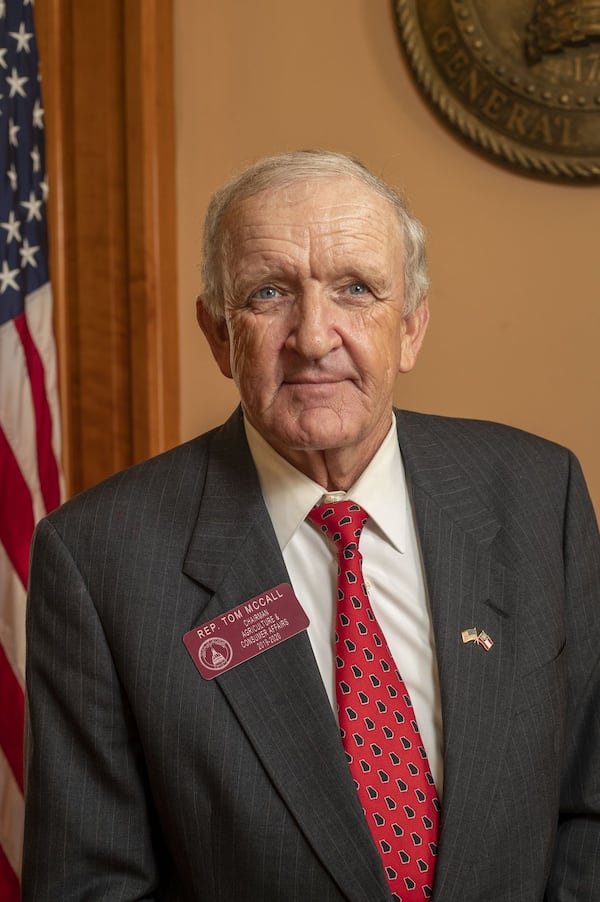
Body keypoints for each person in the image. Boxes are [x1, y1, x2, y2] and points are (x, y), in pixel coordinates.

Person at [23, 150, 599, 901]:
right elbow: (89, 885)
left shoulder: (537, 493)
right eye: (269, 293)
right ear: (217, 335)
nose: (315, 337)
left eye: (355, 289)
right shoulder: (99, 559)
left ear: (412, 328)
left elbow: (589, 805)